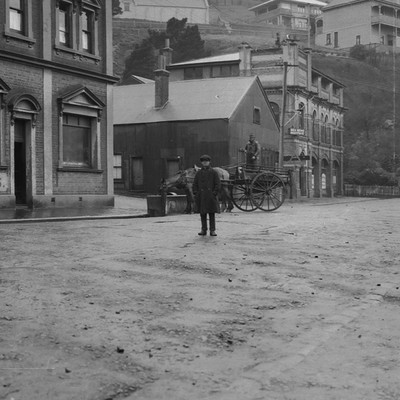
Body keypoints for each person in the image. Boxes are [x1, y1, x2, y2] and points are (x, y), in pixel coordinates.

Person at [193, 154, 221, 236]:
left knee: (211, 214)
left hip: (210, 196)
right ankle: (203, 230)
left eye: (206, 161)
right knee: (202, 213)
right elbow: (195, 184)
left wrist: (214, 193)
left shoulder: (214, 173)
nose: (205, 163)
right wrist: (196, 193)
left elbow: (218, 184)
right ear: (201, 163)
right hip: (201, 196)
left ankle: (212, 230)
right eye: (203, 162)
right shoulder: (199, 173)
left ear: (209, 162)